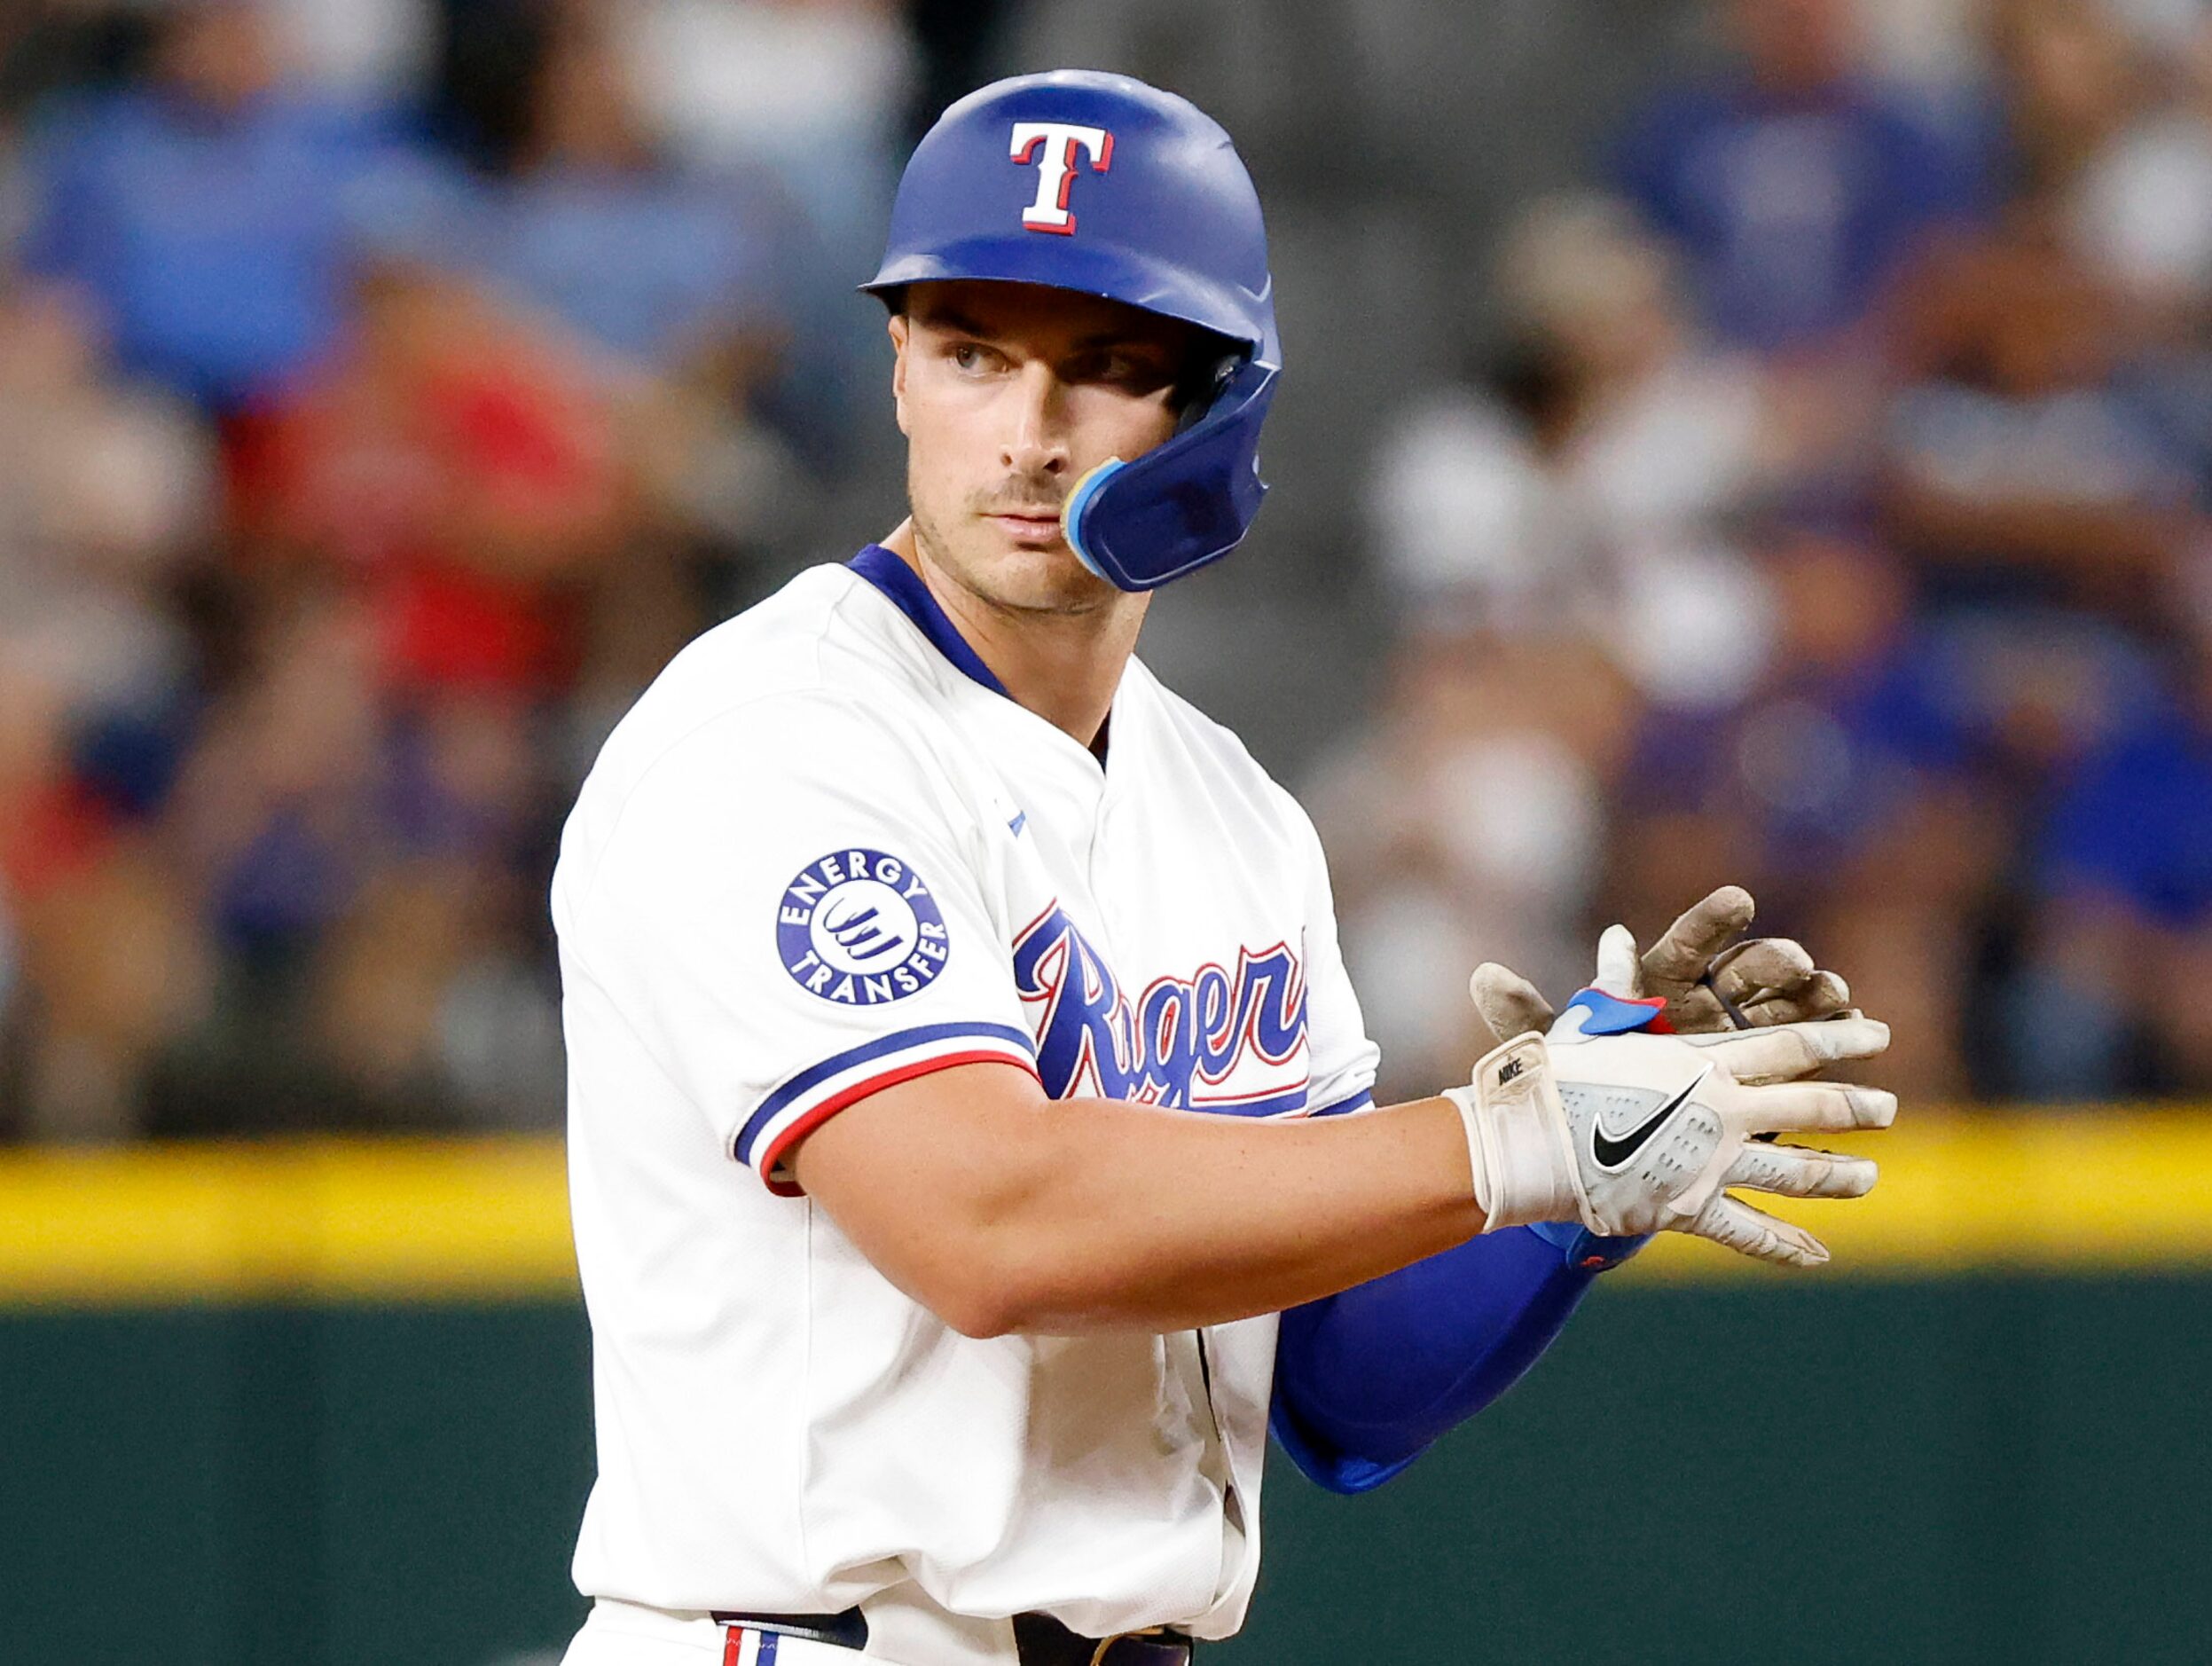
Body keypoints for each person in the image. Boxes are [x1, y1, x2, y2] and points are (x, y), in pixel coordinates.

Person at [553, 72, 1895, 1666]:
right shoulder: (775, 736)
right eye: (971, 349)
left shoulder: (1234, 810)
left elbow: (1335, 1378)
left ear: (1217, 410)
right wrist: (1505, 1140)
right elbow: (985, 1224)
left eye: (1106, 368)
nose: (1028, 433)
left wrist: (1578, 1190)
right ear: (899, 367)